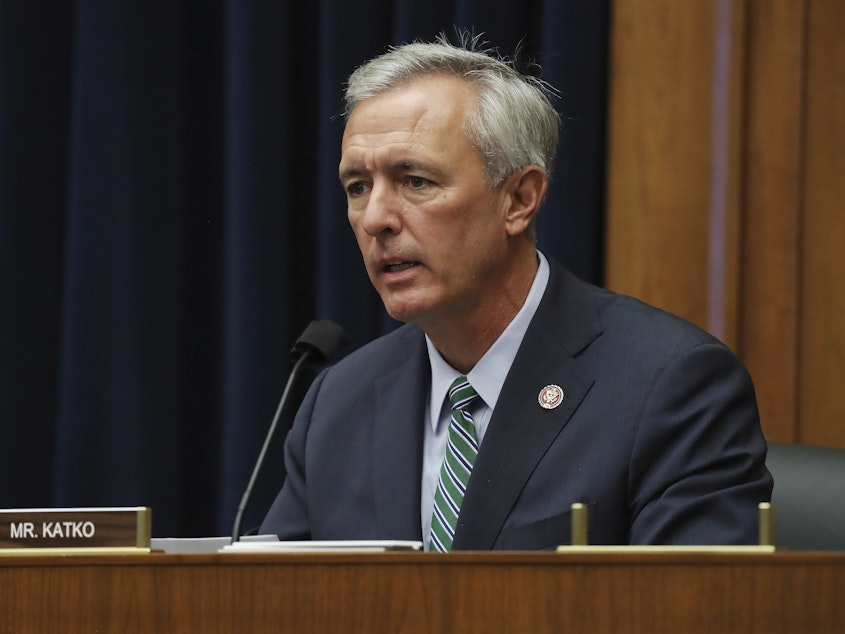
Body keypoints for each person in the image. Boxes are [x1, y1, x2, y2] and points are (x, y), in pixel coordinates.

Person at [260, 35, 773, 550]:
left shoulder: (669, 385)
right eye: (358, 187)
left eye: (415, 181)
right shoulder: (338, 401)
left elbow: (696, 610)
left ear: (519, 200)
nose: (375, 218)